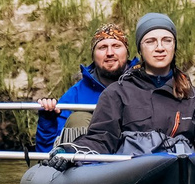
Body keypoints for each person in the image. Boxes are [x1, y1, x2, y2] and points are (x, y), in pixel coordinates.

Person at [73, 14, 195, 165]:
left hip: (181, 174)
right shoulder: (116, 94)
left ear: (174, 47)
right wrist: (71, 153)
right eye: (150, 41)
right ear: (140, 49)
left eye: (167, 40)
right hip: (129, 178)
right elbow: (101, 140)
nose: (160, 47)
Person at [34, 23, 132, 153]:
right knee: (78, 118)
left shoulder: (143, 84)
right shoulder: (75, 94)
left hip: (134, 160)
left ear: (127, 52)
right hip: (85, 165)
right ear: (93, 56)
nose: (110, 53)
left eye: (116, 46)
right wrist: (48, 120)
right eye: (102, 47)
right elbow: (46, 151)